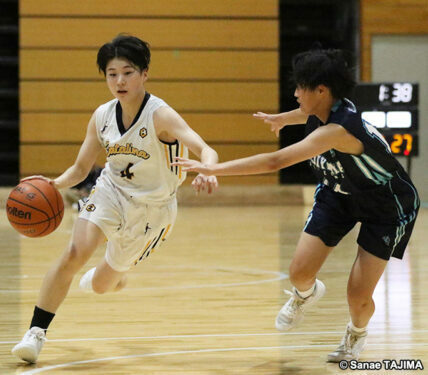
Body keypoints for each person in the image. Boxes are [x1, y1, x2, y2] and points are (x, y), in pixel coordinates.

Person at [172, 47, 419, 362]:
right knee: (298, 273)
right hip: (337, 193)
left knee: (358, 295)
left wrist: (215, 168)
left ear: (321, 90)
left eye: (301, 87)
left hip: (386, 204)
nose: (295, 92)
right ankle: (306, 294)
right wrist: (282, 119)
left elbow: (276, 160)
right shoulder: (325, 107)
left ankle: (356, 333)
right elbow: (305, 113)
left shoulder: (338, 130)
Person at [12, 34, 218, 364]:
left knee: (100, 286)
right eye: (112, 74)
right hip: (111, 191)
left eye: (128, 72)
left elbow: (206, 148)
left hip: (152, 210)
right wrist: (51, 184)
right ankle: (35, 333)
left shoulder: (160, 115)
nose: (119, 81)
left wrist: (207, 169)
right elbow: (81, 168)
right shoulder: (102, 116)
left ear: (144, 74)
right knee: (74, 253)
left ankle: (117, 273)